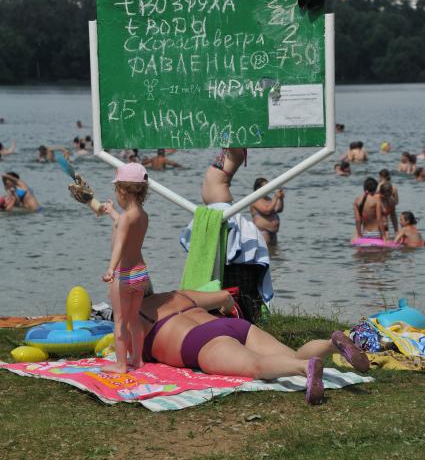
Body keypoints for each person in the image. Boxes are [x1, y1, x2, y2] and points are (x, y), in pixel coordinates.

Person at [136, 288, 370, 406]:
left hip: (198, 341)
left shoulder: (132, 319)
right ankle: (331, 345)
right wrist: (227, 309)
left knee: (255, 366)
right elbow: (226, 297)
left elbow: (129, 357)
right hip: (232, 325)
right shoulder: (177, 295)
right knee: (291, 353)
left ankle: (304, 368)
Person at [100, 163, 150, 373]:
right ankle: (137, 360)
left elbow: (120, 244)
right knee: (134, 319)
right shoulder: (142, 215)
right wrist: (112, 212)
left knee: (120, 321)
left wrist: (111, 268)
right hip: (141, 273)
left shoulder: (126, 219)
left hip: (125, 275)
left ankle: (121, 364)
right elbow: (125, 226)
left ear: (122, 190)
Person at [250, 178, 284, 247]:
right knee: (265, 254)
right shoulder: (255, 199)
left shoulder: (269, 199)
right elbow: (267, 210)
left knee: (274, 254)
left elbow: (278, 209)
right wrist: (275, 197)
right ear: (258, 188)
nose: (269, 188)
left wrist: (280, 198)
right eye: (266, 186)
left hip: (273, 233)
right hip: (263, 232)